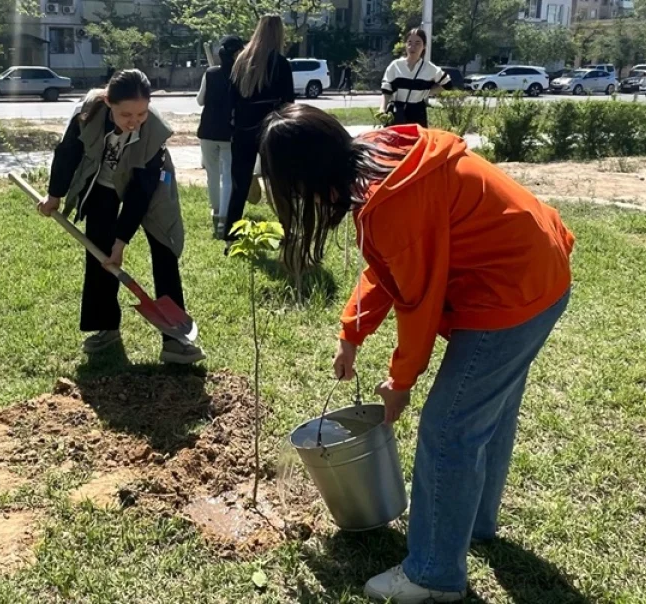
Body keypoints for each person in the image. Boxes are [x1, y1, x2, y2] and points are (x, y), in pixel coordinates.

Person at [259, 104, 575, 604]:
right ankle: (471, 525)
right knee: (484, 415)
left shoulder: (394, 199)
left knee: (449, 429)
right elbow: (390, 265)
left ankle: (433, 576)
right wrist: (352, 331)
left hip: (511, 290)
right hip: (535, 269)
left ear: (308, 177)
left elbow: (418, 301)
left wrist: (400, 382)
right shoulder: (379, 160)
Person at [42, 69, 206, 364]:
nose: (134, 122)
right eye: (126, 114)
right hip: (104, 183)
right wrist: (54, 195)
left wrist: (122, 241)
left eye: (141, 114)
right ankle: (106, 328)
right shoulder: (88, 113)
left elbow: (140, 193)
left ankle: (175, 342)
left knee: (165, 251)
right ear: (108, 102)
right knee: (99, 251)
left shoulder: (154, 130)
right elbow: (68, 153)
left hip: (150, 185)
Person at [223, 15, 295, 247]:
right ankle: (287, 232)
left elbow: (231, 99)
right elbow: (289, 102)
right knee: (279, 184)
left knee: (239, 185)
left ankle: (230, 234)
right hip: (271, 129)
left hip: (243, 129)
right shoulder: (280, 63)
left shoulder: (241, 61)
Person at [196, 36, 244, 238]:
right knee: (227, 177)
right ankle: (224, 217)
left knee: (212, 175)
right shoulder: (242, 76)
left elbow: (200, 101)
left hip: (207, 131)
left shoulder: (210, 73)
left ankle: (215, 212)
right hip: (229, 134)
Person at [381, 28, 450, 128]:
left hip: (418, 113)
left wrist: (427, 92)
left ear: (424, 46)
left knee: (417, 138)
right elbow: (386, 91)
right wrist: (382, 109)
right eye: (409, 42)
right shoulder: (395, 66)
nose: (412, 47)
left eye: (417, 43)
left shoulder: (430, 68)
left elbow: (447, 84)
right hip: (397, 112)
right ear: (405, 44)